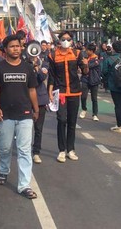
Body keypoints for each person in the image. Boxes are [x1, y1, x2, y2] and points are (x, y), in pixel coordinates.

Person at [0, 35, 39, 199]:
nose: (15, 49)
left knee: (24, 150)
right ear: (5, 49)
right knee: (5, 147)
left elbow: (32, 90)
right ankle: (4, 170)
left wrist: (36, 108)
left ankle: (24, 185)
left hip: (25, 114)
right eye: (12, 46)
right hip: (5, 114)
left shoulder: (27, 68)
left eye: (18, 46)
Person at [48, 31, 87, 162]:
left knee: (72, 122)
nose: (66, 41)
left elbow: (85, 71)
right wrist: (50, 92)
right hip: (61, 92)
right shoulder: (52, 55)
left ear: (71, 41)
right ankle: (61, 150)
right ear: (59, 40)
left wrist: (85, 64)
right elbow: (51, 76)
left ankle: (71, 149)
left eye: (68, 39)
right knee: (61, 120)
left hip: (75, 92)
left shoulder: (77, 54)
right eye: (63, 39)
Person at [102, 41, 121, 132]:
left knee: (118, 105)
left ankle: (119, 126)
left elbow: (104, 71)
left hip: (114, 85)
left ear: (114, 49)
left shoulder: (109, 59)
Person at [30, 50, 50, 164]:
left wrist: (36, 66)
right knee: (25, 128)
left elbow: (42, 77)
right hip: (26, 99)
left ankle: (36, 152)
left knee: (38, 128)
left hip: (40, 99)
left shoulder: (44, 63)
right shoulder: (23, 62)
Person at [79, 44, 101, 121]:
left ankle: (95, 114)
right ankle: (84, 109)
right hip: (85, 79)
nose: (86, 51)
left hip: (94, 80)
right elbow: (83, 67)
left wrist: (86, 63)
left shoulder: (96, 59)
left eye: (87, 50)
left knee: (94, 98)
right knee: (83, 96)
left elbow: (90, 65)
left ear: (91, 51)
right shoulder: (86, 58)